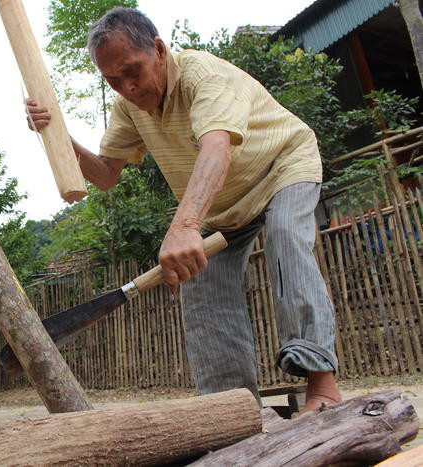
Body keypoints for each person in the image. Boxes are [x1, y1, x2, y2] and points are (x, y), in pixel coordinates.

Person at [25, 7, 341, 412]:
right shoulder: (129, 107)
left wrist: (186, 224)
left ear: (158, 49)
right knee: (199, 285)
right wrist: (56, 135)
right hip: (225, 204)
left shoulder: (203, 76)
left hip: (281, 168)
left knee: (285, 239)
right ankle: (234, 411)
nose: (128, 87)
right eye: (112, 80)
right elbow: (105, 175)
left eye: (132, 70)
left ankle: (322, 387)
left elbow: (217, 146)